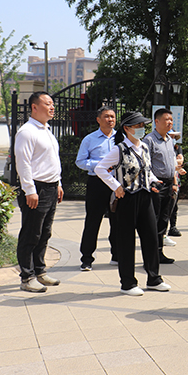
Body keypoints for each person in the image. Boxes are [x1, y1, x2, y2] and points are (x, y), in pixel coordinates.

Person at [94, 111, 171, 296]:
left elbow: (147, 170)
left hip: (145, 197)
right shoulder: (119, 149)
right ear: (127, 128)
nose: (141, 129)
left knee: (151, 237)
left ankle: (154, 278)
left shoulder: (144, 147)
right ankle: (128, 283)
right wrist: (116, 186)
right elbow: (100, 168)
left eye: (143, 126)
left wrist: (154, 181)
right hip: (127, 199)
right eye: (137, 126)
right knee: (126, 241)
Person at [14, 91, 63, 292]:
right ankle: (27, 277)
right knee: (31, 233)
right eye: (48, 103)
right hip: (36, 189)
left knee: (44, 233)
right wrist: (29, 190)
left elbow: (51, 161)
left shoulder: (46, 130)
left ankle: (40, 271)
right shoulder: (27, 132)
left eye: (52, 104)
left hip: (50, 187)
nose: (52, 107)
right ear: (34, 107)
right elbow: (23, 163)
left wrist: (58, 183)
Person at [75, 106, 119, 271]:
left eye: (112, 116)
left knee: (118, 220)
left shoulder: (121, 138)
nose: (110, 120)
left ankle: (117, 255)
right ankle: (87, 259)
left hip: (116, 184)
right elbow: (80, 161)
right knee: (93, 221)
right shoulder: (89, 139)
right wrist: (100, 165)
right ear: (98, 120)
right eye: (106, 116)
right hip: (97, 183)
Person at [143, 108, 179, 263]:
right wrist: (152, 183)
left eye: (171, 119)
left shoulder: (170, 140)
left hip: (169, 185)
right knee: (154, 220)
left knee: (164, 219)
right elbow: (145, 165)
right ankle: (151, 255)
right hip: (156, 185)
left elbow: (172, 164)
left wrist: (175, 183)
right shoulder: (149, 140)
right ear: (156, 121)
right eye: (166, 119)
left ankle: (159, 253)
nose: (169, 122)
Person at [167, 139, 185, 236]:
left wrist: (175, 164)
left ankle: (173, 227)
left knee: (174, 206)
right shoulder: (163, 148)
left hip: (176, 180)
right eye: (171, 136)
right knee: (165, 207)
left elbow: (180, 161)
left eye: (175, 137)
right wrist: (175, 163)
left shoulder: (177, 148)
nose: (173, 139)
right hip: (166, 180)